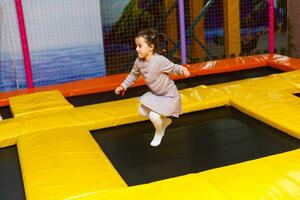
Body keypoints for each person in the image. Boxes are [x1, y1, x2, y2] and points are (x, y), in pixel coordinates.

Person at [115, 29, 190, 147]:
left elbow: (174, 67)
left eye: (140, 46)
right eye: (136, 46)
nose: (136, 49)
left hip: (169, 96)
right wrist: (123, 85)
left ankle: (159, 132)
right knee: (141, 111)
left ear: (151, 47)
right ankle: (164, 122)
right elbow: (133, 75)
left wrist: (182, 69)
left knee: (153, 115)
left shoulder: (160, 61)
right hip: (156, 95)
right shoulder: (138, 62)